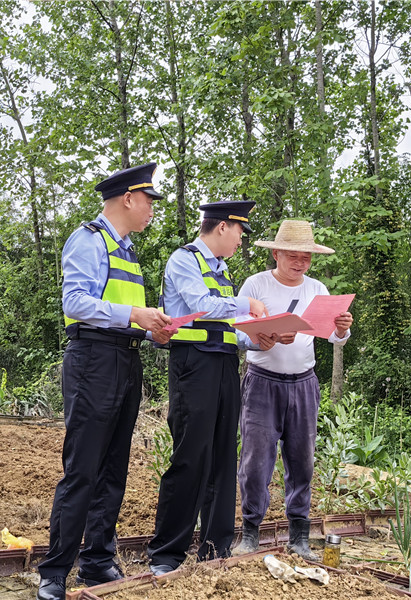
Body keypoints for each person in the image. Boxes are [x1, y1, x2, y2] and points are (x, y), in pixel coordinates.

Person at [37, 163, 174, 600]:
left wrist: (151, 328)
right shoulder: (88, 240)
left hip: (125, 360)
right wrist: (135, 315)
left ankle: (97, 561)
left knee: (114, 468)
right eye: (149, 201)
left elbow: (122, 310)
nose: (153, 209)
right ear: (128, 198)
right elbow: (75, 302)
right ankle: (55, 571)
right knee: (83, 469)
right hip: (93, 361)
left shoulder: (128, 250)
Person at [147, 200, 272, 575]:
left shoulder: (222, 270)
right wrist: (247, 304)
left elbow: (226, 329)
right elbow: (202, 307)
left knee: (221, 459)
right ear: (222, 228)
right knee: (190, 456)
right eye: (239, 232)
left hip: (223, 366)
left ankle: (215, 550)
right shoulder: (184, 260)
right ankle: (166, 554)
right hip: (193, 366)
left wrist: (255, 341)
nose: (240, 241)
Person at [231, 219, 353, 560]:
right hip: (262, 382)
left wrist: (342, 328)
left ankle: (299, 534)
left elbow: (333, 336)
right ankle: (250, 532)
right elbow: (238, 334)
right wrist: (265, 338)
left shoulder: (317, 289)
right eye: (293, 256)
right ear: (276, 254)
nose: (300, 263)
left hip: (304, 383)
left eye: (306, 258)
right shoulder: (255, 286)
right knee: (255, 461)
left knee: (302, 461)